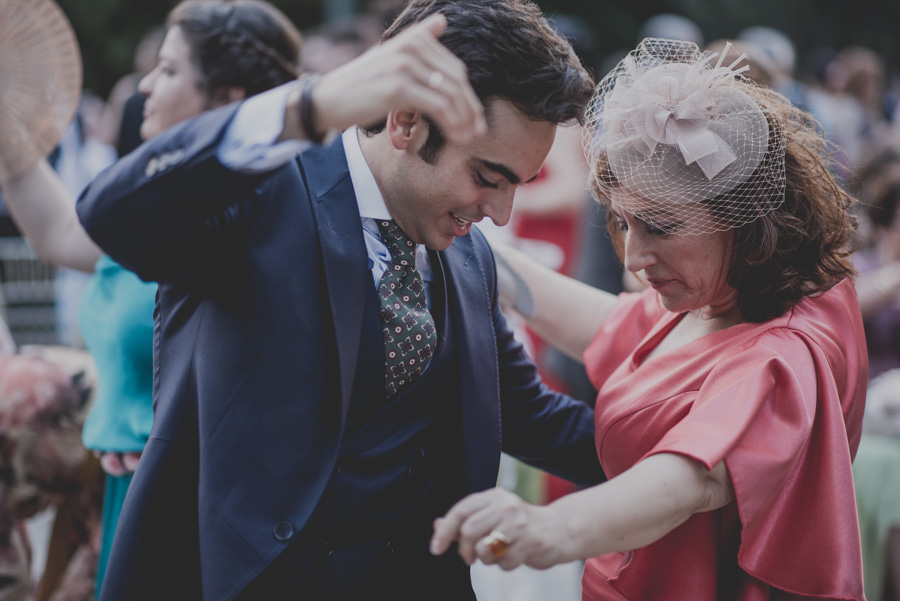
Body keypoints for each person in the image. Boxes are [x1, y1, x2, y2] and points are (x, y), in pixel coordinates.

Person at [75, 1, 604, 599]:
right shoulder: (264, 187)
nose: (501, 212)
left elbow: (532, 417)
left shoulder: (470, 257)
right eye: (487, 176)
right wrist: (309, 106)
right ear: (404, 123)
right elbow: (111, 214)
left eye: (517, 184)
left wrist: (696, 459)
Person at [431, 37, 867, 601]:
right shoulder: (727, 297)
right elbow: (614, 325)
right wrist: (470, 249)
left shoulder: (782, 357)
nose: (632, 258)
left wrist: (550, 526)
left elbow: (689, 478)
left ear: (742, 220)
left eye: (659, 227)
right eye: (623, 223)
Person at [0, 0, 304, 596]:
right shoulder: (155, 210)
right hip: (129, 489)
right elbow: (63, 232)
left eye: (167, 70)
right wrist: (13, 128)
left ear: (225, 99)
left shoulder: (253, 217)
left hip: (198, 506)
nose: (146, 85)